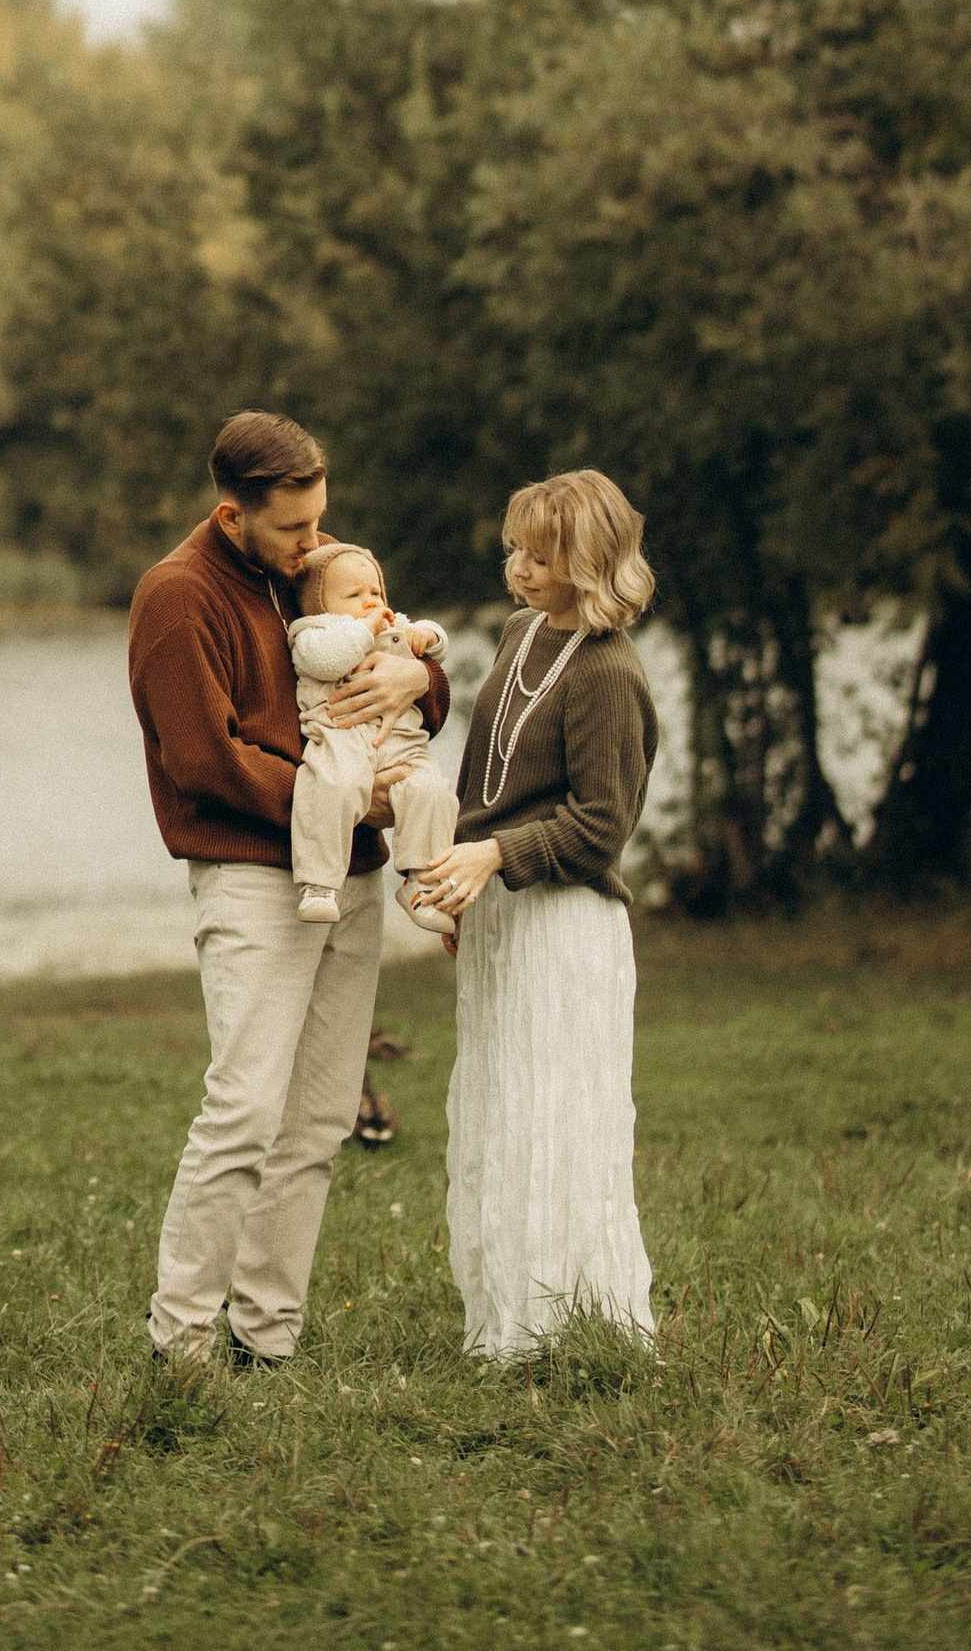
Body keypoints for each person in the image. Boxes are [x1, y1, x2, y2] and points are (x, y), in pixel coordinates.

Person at [127, 409, 448, 1369]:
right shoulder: (178, 596)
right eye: (295, 528)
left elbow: (406, 667)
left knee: (318, 1119)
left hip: (351, 876)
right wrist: (343, 805)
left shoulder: (315, 569)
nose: (317, 543)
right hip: (252, 879)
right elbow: (203, 760)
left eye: (320, 520)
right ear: (233, 516)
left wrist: (416, 685)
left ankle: (266, 1338)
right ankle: (180, 1339)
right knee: (244, 1111)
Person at [409, 468, 660, 1361]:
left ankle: (574, 1328)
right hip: (501, 911)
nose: (519, 568)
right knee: (499, 1114)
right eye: (514, 549)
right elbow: (484, 781)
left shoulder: (609, 673)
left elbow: (601, 826)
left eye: (541, 557)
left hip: (565, 923)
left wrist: (494, 857)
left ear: (589, 563)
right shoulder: (521, 633)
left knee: (557, 1118)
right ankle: (504, 1324)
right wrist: (455, 881)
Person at [287, 542, 455, 937]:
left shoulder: (392, 624)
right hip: (340, 735)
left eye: (375, 591)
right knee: (331, 786)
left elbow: (440, 644)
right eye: (354, 595)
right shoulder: (313, 633)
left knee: (432, 791)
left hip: (400, 741)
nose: (370, 601)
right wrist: (365, 630)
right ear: (319, 604)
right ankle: (319, 883)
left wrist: (426, 635)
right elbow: (328, 661)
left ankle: (422, 882)